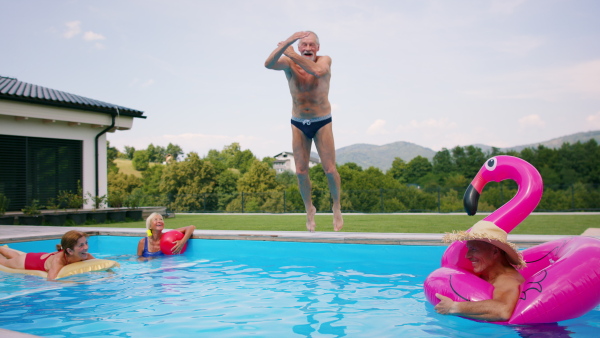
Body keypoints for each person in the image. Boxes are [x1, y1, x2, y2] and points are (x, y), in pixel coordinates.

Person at [265, 31, 343, 232]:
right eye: (303, 45)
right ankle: (309, 209)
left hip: (321, 121)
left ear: (317, 48)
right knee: (300, 172)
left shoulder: (324, 60)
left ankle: (336, 206)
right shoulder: (290, 62)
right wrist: (287, 44)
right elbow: (268, 64)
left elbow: (317, 71)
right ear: (299, 47)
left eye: (311, 45)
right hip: (298, 121)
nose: (307, 48)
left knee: (330, 169)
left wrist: (291, 52)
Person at [434, 221, 526, 322]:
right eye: (469, 249)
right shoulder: (488, 274)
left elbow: (503, 311)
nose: (467, 256)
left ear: (494, 252)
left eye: (473, 249)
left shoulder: (508, 280)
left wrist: (453, 307)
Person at [0, 230, 95, 281]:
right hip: (28, 261)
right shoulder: (58, 261)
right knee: (5, 262)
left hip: (42, 256)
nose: (86, 247)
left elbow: (101, 265)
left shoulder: (86, 255)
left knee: (15, 256)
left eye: (86, 243)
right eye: (81, 245)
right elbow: (51, 281)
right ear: (70, 251)